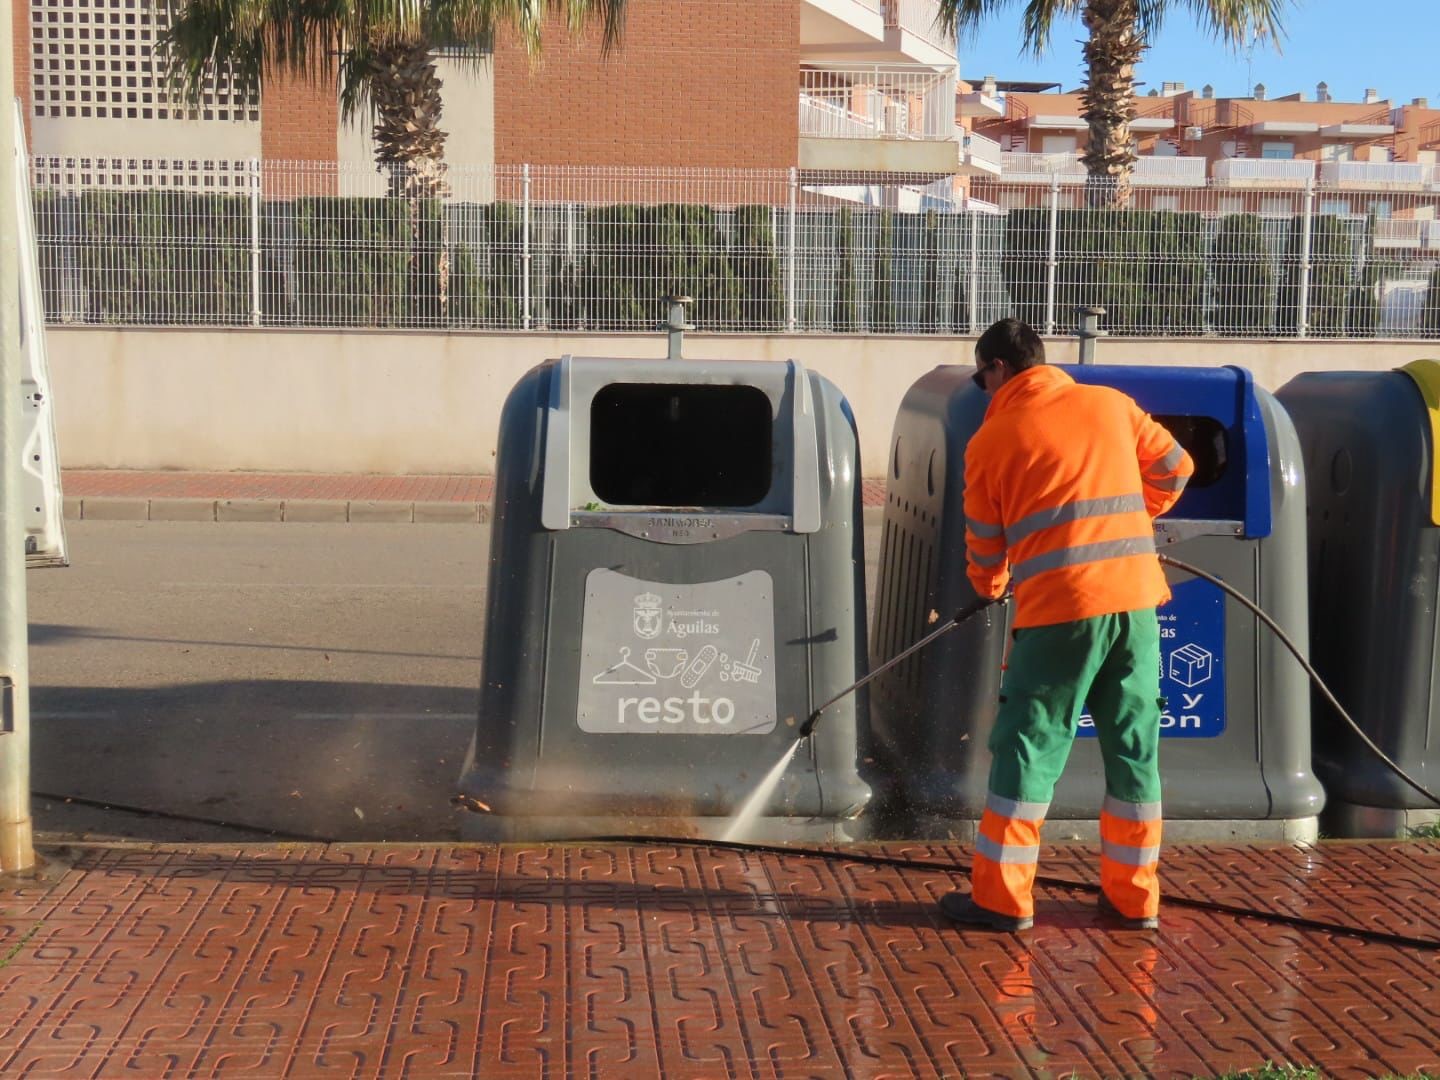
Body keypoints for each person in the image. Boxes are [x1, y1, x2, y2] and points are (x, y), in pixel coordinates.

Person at [940, 318, 1194, 933]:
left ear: (998, 367)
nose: (984, 388)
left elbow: (985, 545)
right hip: (1135, 606)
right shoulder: (1109, 405)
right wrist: (1131, 520)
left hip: (1059, 614)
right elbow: (1177, 469)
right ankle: (1134, 901)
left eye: (982, 377)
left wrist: (991, 589)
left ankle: (1002, 900)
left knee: (1029, 749)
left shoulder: (991, 440)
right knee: (1135, 750)